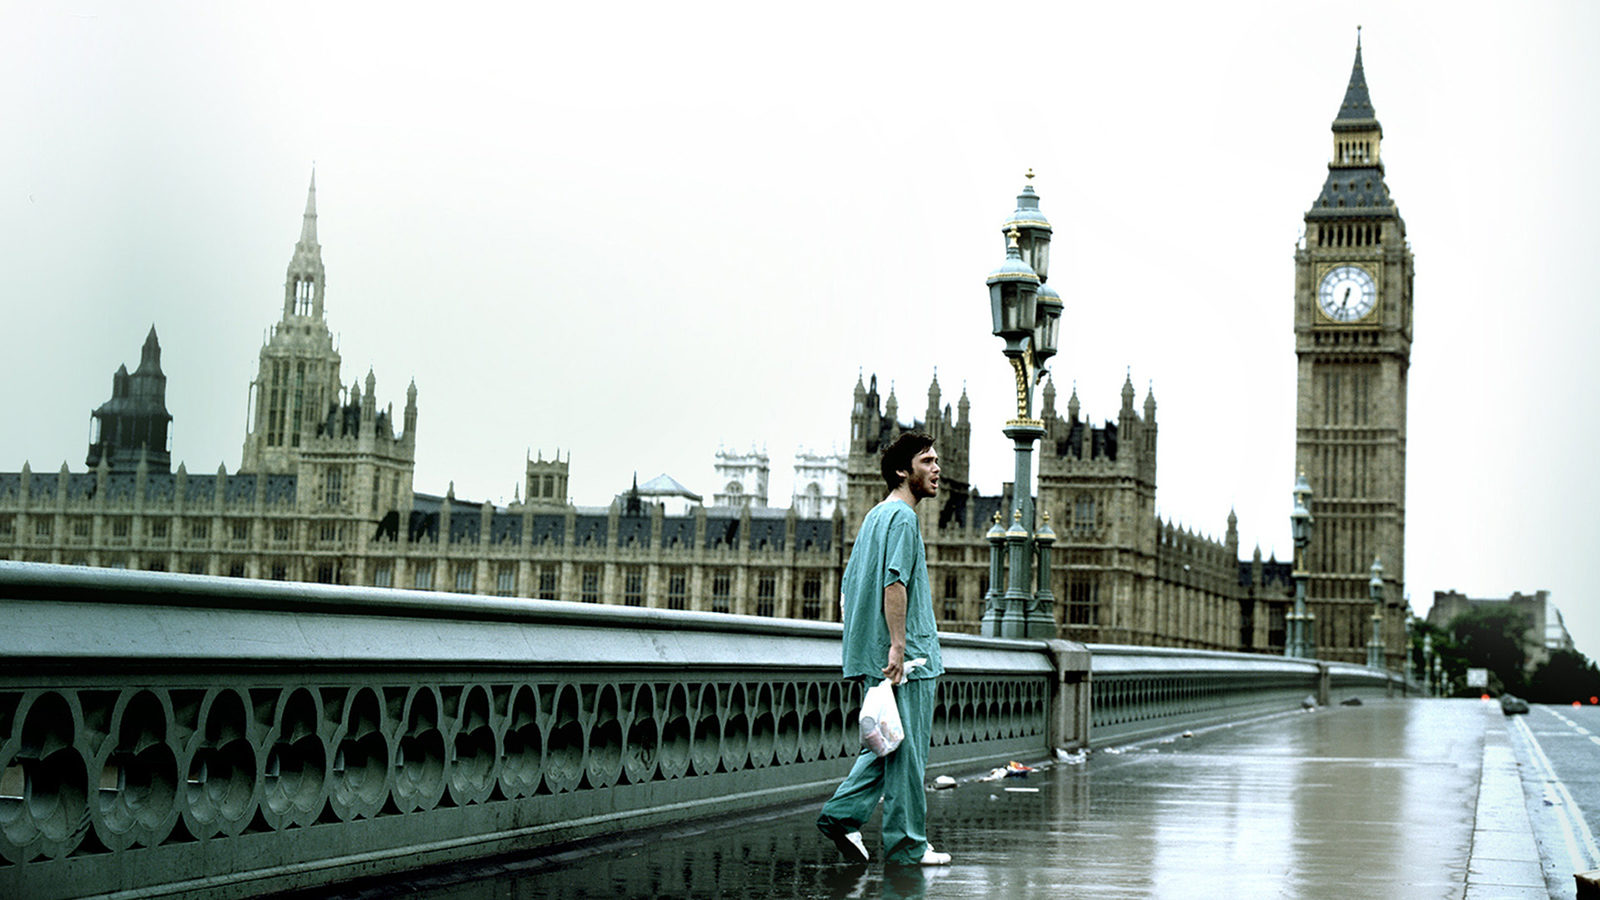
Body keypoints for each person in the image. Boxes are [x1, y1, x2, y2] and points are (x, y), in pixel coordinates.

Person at [816, 431, 950, 867]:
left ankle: (840, 816)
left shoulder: (874, 516)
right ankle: (906, 845)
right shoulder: (905, 519)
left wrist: (867, 648)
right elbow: (896, 582)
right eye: (927, 461)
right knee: (907, 754)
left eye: (936, 461)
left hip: (875, 655)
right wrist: (897, 645)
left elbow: (850, 586)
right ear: (901, 471)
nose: (936, 469)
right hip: (907, 659)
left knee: (886, 743)